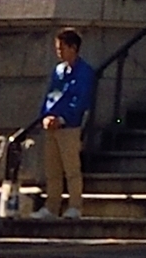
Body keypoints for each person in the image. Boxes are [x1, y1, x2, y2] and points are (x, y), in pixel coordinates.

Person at [38, 30, 101, 220]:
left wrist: (64, 118)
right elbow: (52, 95)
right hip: (53, 125)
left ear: (73, 48)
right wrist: (47, 115)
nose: (59, 52)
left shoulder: (85, 72)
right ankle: (52, 206)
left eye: (62, 48)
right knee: (52, 169)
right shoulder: (59, 71)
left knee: (71, 168)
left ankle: (75, 205)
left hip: (70, 126)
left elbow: (80, 99)